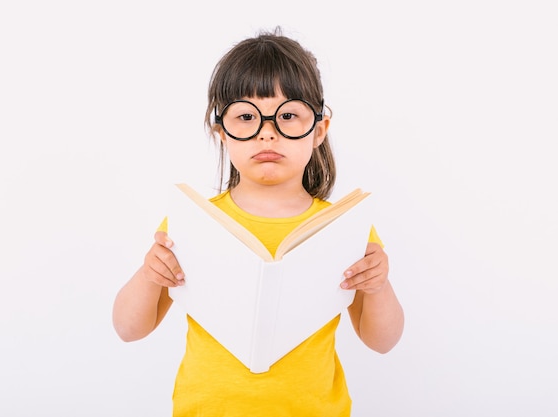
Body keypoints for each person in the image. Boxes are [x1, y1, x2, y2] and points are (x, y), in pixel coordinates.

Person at [112, 27, 404, 416]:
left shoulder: (342, 228)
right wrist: (150, 274)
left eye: (288, 116)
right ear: (222, 133)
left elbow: (382, 341)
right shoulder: (193, 222)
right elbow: (129, 329)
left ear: (318, 130)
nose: (267, 134)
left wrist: (379, 285)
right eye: (247, 117)